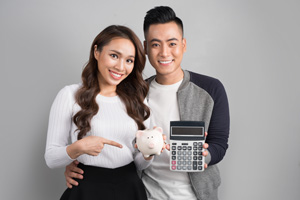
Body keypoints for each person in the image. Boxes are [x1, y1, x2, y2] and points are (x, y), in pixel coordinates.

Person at [64, 6, 230, 200]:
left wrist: (204, 157)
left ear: (183, 45)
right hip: (145, 193)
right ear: (144, 48)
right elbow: (110, 139)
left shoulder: (210, 89)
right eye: (155, 44)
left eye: (172, 43)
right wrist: (76, 165)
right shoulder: (133, 93)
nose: (164, 53)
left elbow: (219, 143)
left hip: (198, 195)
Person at [44, 25, 155, 200]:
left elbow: (139, 164)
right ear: (96, 52)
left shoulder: (138, 100)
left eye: (129, 60)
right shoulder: (69, 95)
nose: (120, 67)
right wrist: (79, 147)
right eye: (114, 56)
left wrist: (149, 153)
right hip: (87, 187)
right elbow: (51, 158)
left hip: (129, 187)